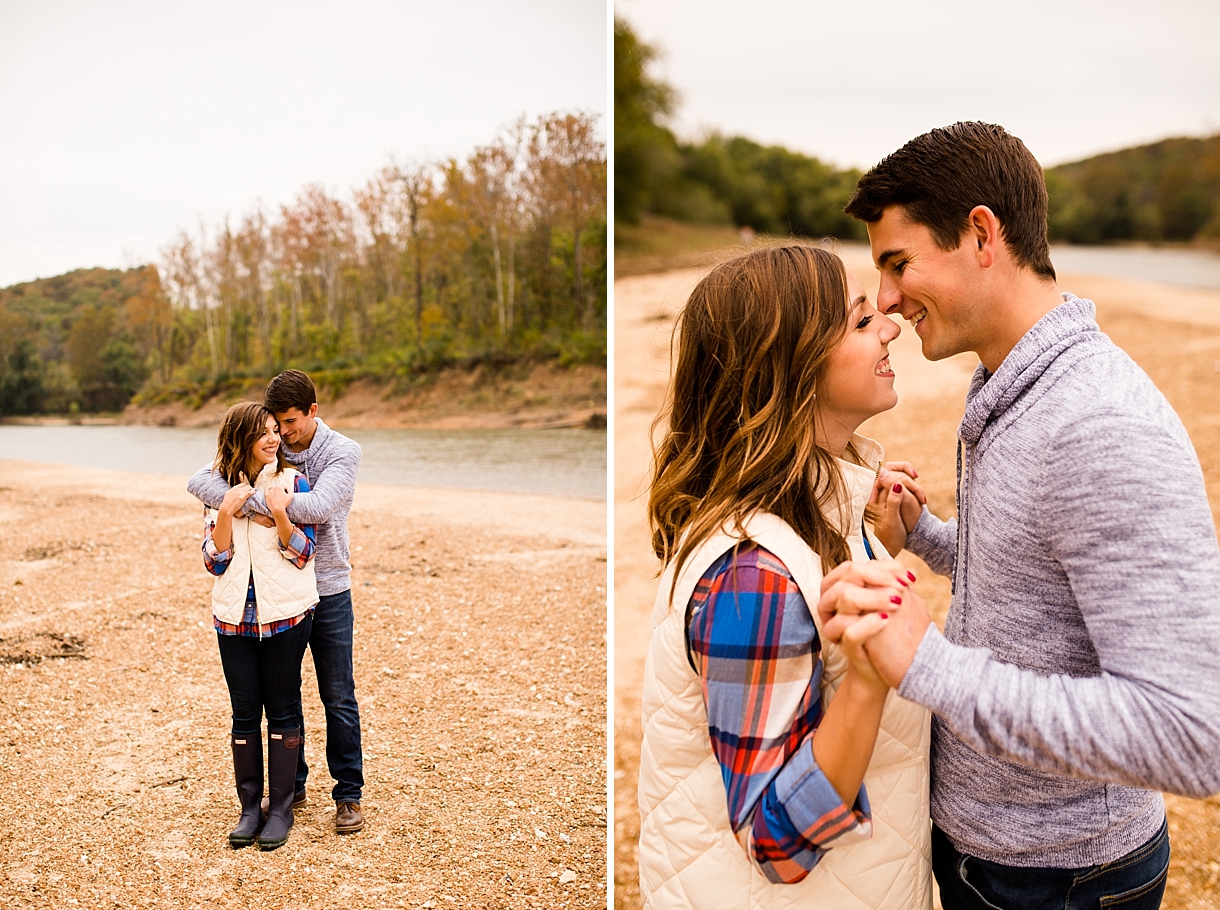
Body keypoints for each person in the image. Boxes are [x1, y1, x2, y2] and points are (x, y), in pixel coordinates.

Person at [817, 121, 1220, 909]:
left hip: (1065, 879)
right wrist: (929, 538)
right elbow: (1046, 582)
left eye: (898, 264)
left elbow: (1190, 734)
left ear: (980, 235)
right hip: (991, 852)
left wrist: (928, 666)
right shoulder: (1012, 382)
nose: (889, 305)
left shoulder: (1100, 423)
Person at [637, 244, 933, 909]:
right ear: (793, 371)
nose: (889, 324)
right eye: (861, 322)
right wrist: (865, 677)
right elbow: (775, 841)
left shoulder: (819, 515)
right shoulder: (752, 574)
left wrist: (871, 533)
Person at [189, 370, 365, 835]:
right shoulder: (273, 444)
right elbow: (204, 482)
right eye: (275, 426)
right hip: (276, 592)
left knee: (337, 694)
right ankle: (294, 787)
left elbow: (316, 509)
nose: (281, 434)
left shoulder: (342, 452)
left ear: (313, 411)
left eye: (288, 423)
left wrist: (264, 508)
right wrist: (240, 503)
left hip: (327, 585)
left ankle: (348, 795)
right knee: (286, 694)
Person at [204, 401, 317, 850]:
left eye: (276, 429)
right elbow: (214, 561)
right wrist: (228, 513)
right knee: (244, 713)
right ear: (240, 438)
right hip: (233, 618)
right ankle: (250, 808)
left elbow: (305, 552)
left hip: (287, 614)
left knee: (284, 707)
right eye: (264, 432)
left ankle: (281, 809)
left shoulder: (292, 481)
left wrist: (282, 514)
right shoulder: (219, 490)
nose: (274, 438)